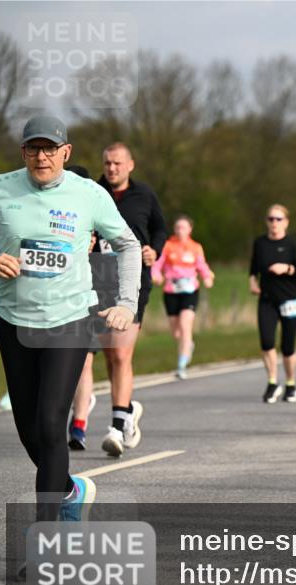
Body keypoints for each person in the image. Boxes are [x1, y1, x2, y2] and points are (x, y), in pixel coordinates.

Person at [0, 115, 141, 538]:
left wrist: (127, 303)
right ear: (23, 152)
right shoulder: (0, 189)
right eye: (34, 148)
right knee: (29, 431)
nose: (42, 157)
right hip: (14, 322)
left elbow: (128, 244)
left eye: (50, 149)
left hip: (69, 321)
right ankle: (71, 490)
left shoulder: (88, 194)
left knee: (52, 424)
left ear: (66, 152)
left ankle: (47, 538)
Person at [96, 142, 167, 457]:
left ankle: (115, 427)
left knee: (123, 354)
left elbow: (160, 229)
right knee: (111, 356)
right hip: (99, 282)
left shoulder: (145, 195)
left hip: (134, 283)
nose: (112, 168)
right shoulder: (92, 192)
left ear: (130, 165)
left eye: (117, 163)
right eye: (108, 163)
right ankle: (127, 412)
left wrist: (155, 250)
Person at [249, 204, 296, 403]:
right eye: (271, 219)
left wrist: (287, 268)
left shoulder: (292, 244)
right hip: (267, 299)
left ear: (286, 222)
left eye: (279, 219)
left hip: (290, 299)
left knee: (287, 347)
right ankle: (272, 382)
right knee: (266, 342)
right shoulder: (260, 243)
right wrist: (252, 282)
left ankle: (291, 384)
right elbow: (253, 267)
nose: (274, 223)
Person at [151, 215, 215, 379]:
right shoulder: (168, 246)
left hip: (190, 291)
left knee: (186, 326)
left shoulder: (195, 247)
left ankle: (181, 365)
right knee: (176, 333)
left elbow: (202, 265)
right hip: (171, 291)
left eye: (184, 227)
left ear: (190, 229)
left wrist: (207, 277)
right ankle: (188, 344)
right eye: (178, 227)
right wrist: (156, 275)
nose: (180, 230)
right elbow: (157, 264)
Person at [65, 164, 98, 451]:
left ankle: (79, 424)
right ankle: (78, 402)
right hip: (50, 302)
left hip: (87, 300)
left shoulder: (99, 213)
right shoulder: (48, 213)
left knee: (85, 362)